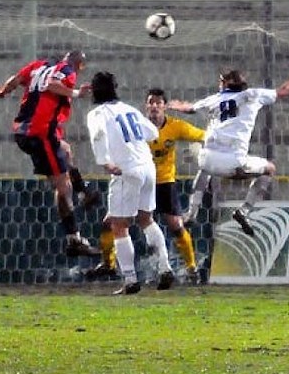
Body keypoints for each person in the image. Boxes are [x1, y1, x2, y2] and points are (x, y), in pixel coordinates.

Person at [169, 61, 289, 236]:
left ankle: (192, 212)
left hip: (206, 159)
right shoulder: (252, 95)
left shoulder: (214, 99)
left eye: (221, 81)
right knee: (269, 169)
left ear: (225, 83)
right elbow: (284, 91)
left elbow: (189, 108)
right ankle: (244, 211)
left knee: (205, 166)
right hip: (232, 162)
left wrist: (172, 105)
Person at [87, 88, 206, 284]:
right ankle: (108, 265)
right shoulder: (135, 125)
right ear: (146, 106)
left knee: (175, 225)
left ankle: (192, 269)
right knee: (111, 222)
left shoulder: (176, 127)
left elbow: (202, 135)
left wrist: (206, 147)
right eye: (151, 102)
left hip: (164, 182)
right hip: (145, 177)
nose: (154, 106)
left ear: (165, 106)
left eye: (159, 103)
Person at [0, 50, 100, 257]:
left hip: (24, 131)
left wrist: (2, 92)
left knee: (66, 151)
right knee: (62, 186)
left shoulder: (38, 66)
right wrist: (77, 93)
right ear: (80, 65)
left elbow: (15, 80)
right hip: (41, 134)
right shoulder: (67, 71)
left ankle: (83, 193)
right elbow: (51, 85)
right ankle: (74, 238)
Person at [86, 72, 175, 294]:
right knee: (146, 219)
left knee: (118, 225)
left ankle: (130, 280)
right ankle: (164, 267)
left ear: (93, 90)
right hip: (147, 167)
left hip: (126, 170)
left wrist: (105, 162)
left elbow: (98, 135)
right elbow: (153, 132)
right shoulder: (129, 109)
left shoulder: (97, 113)